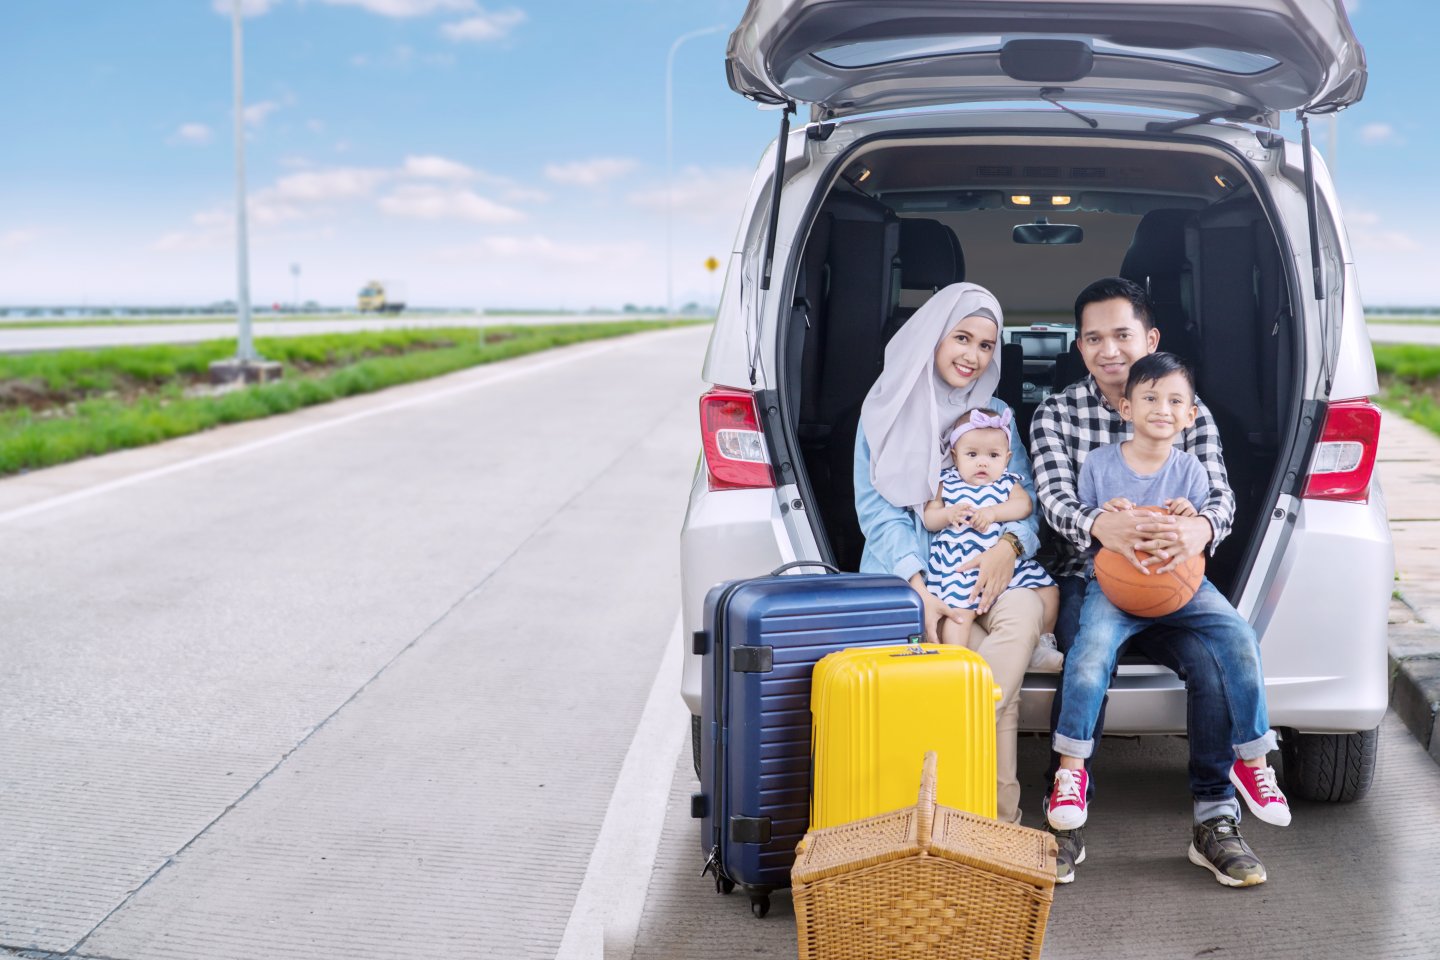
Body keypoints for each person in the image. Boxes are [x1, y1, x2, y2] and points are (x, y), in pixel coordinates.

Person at [1030, 276, 1274, 887]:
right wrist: (1099, 527)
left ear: (1149, 337)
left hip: (1174, 576)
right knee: (1086, 656)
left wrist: (1201, 532)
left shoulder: (1186, 408)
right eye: (1093, 338)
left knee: (1216, 658)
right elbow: (1053, 498)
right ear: (1079, 346)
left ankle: (1215, 820)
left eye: (1122, 334)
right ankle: (1063, 825)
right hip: (1090, 573)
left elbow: (1219, 495)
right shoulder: (1057, 412)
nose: (1108, 350)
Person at [854, 281, 1045, 824]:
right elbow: (879, 512)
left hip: (994, 573)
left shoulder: (998, 413)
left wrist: (1008, 547)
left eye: (986, 345)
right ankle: (995, 821)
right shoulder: (885, 407)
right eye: (962, 338)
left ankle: (971, 794)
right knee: (986, 675)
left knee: (1023, 615)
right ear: (933, 338)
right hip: (915, 576)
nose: (973, 356)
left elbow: (1023, 500)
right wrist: (922, 592)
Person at [920, 406, 1062, 666]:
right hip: (959, 565)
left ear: (1007, 458)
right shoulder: (947, 482)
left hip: (1004, 562)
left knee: (1048, 591)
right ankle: (953, 662)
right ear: (955, 456)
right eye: (972, 454)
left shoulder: (1007, 482)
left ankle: (1042, 644)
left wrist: (993, 513)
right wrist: (948, 514)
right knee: (958, 615)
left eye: (993, 455)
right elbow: (929, 518)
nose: (982, 462)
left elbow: (1025, 506)